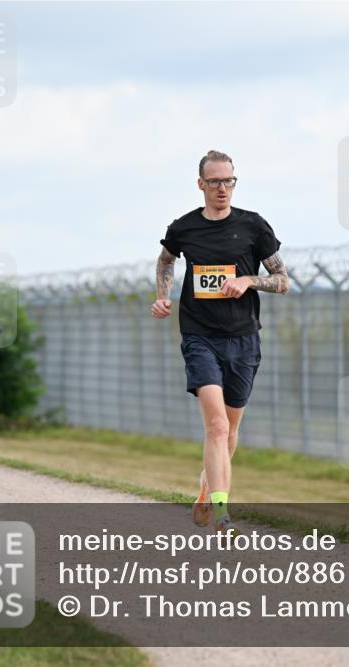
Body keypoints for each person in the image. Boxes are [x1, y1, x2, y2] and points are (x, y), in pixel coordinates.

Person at [151, 150, 289, 535]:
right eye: (214, 182)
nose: (222, 188)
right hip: (199, 336)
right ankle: (223, 514)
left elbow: (283, 281)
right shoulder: (184, 228)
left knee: (229, 430)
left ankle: (206, 487)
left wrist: (249, 280)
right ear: (201, 185)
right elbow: (165, 261)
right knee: (215, 426)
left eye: (228, 181)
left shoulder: (253, 226)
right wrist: (163, 295)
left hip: (243, 338)